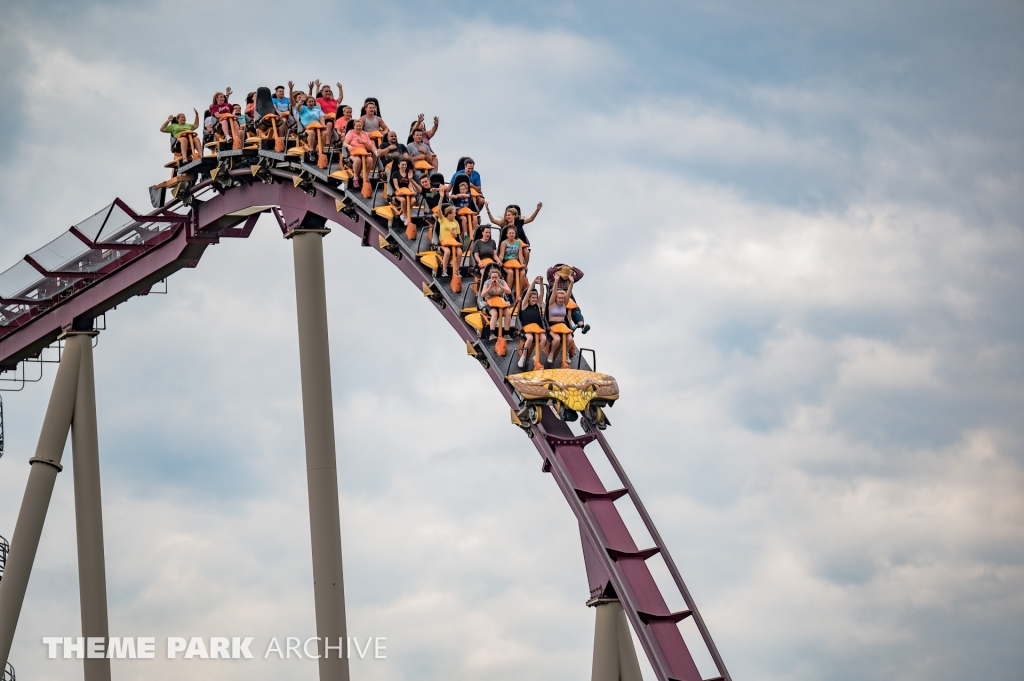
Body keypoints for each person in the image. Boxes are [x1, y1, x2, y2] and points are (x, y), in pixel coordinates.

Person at [546, 263, 590, 334]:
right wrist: (559, 268)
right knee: (564, 309)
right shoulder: (553, 279)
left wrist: (571, 268)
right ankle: (570, 325)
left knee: (575, 309)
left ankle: (581, 326)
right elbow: (549, 271)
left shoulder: (568, 280)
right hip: (555, 298)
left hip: (567, 298)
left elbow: (580, 274)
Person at [517, 277, 547, 369]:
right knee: (529, 338)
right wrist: (533, 282)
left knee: (544, 338)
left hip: (536, 328)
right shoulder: (525, 305)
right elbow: (527, 293)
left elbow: (542, 293)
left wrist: (541, 283)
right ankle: (523, 357)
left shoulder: (537, 305)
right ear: (529, 298)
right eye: (532, 297)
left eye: (535, 298)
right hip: (526, 328)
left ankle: (536, 356)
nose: (534, 299)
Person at [545, 278, 574, 365]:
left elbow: (568, 293)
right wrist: (556, 281)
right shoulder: (551, 304)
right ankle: (551, 353)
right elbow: (554, 292)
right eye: (559, 298)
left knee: (570, 339)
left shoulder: (564, 304)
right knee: (557, 339)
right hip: (553, 326)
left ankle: (565, 353)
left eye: (562, 298)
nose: (561, 300)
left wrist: (571, 282)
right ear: (556, 298)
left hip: (563, 325)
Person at [479, 266, 512, 341]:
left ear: (499, 277)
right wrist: (490, 287)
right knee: (494, 313)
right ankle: (492, 334)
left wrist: (500, 285)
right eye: (492, 277)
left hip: (500, 301)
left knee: (508, 313)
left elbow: (509, 291)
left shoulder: (502, 282)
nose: (494, 279)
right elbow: (483, 295)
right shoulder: (487, 282)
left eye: (496, 277)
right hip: (490, 302)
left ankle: (506, 333)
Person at [343, 117, 377, 191]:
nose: (358, 127)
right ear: (354, 126)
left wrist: (364, 142)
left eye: (360, 126)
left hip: (363, 152)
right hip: (354, 153)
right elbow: (345, 143)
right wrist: (348, 146)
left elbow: (370, 147)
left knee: (370, 160)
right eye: (357, 126)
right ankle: (355, 178)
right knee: (358, 160)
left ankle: (366, 176)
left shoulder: (365, 134)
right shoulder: (351, 132)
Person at [498, 225, 528, 293]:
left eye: (513, 233)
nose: (511, 234)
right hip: (507, 262)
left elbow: (520, 254)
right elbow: (501, 255)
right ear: (507, 234)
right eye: (510, 233)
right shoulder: (504, 243)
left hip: (516, 262)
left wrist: (522, 264)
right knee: (510, 272)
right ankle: (508, 292)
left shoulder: (518, 242)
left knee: (523, 273)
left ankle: (519, 292)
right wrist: (499, 262)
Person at [437, 204, 462, 278]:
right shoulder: (443, 220)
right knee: (447, 251)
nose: (455, 215)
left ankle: (457, 270)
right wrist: (441, 197)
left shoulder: (456, 222)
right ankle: (444, 271)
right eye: (454, 213)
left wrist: (454, 235)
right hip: (444, 243)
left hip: (453, 243)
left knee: (460, 252)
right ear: (449, 214)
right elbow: (439, 210)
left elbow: (456, 236)